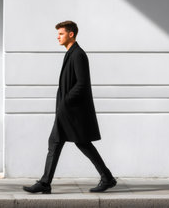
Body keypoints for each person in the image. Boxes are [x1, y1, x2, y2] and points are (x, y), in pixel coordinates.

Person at [23, 20, 116, 194]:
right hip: (67, 111)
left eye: (61, 34)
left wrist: (65, 102)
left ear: (71, 34)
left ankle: (107, 178)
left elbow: (82, 84)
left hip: (71, 112)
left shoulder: (78, 55)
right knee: (58, 142)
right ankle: (46, 182)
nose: (57, 37)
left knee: (80, 144)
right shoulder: (71, 53)